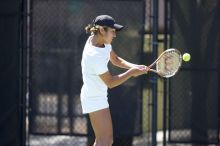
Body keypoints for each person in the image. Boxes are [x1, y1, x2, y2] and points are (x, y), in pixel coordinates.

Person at [80, 15, 149, 146]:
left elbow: (115, 59)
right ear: (101, 30)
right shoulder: (94, 56)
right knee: (105, 140)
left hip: (97, 95)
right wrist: (131, 73)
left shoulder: (99, 41)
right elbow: (110, 82)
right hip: (93, 98)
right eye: (112, 31)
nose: (115, 35)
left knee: (103, 140)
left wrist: (135, 66)